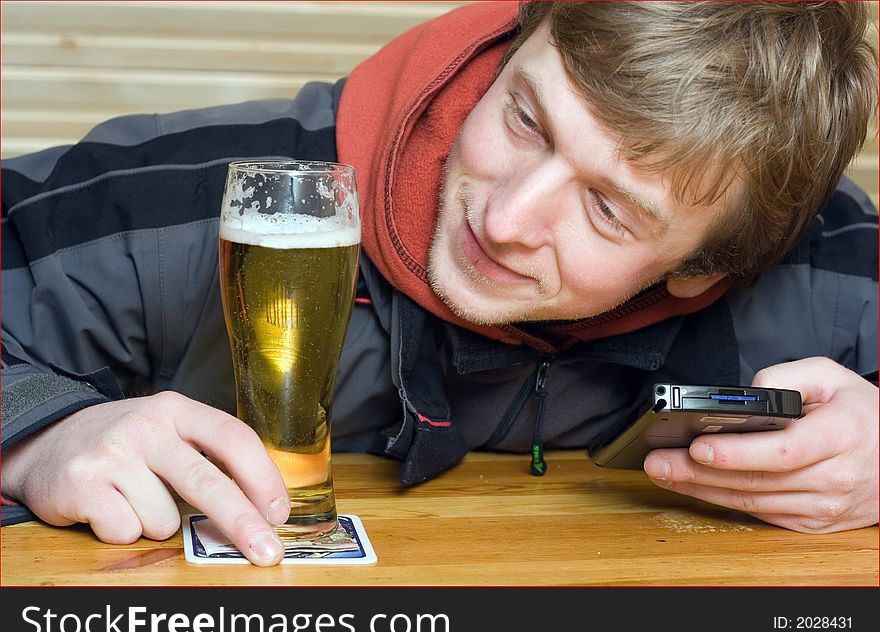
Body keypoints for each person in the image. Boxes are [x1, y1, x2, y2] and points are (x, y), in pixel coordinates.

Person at [2, 1, 877, 567]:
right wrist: (37, 435)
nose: (505, 218)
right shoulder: (183, 202)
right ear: (509, 45)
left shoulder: (823, 261)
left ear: (701, 270)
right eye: (526, 117)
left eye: (610, 211)